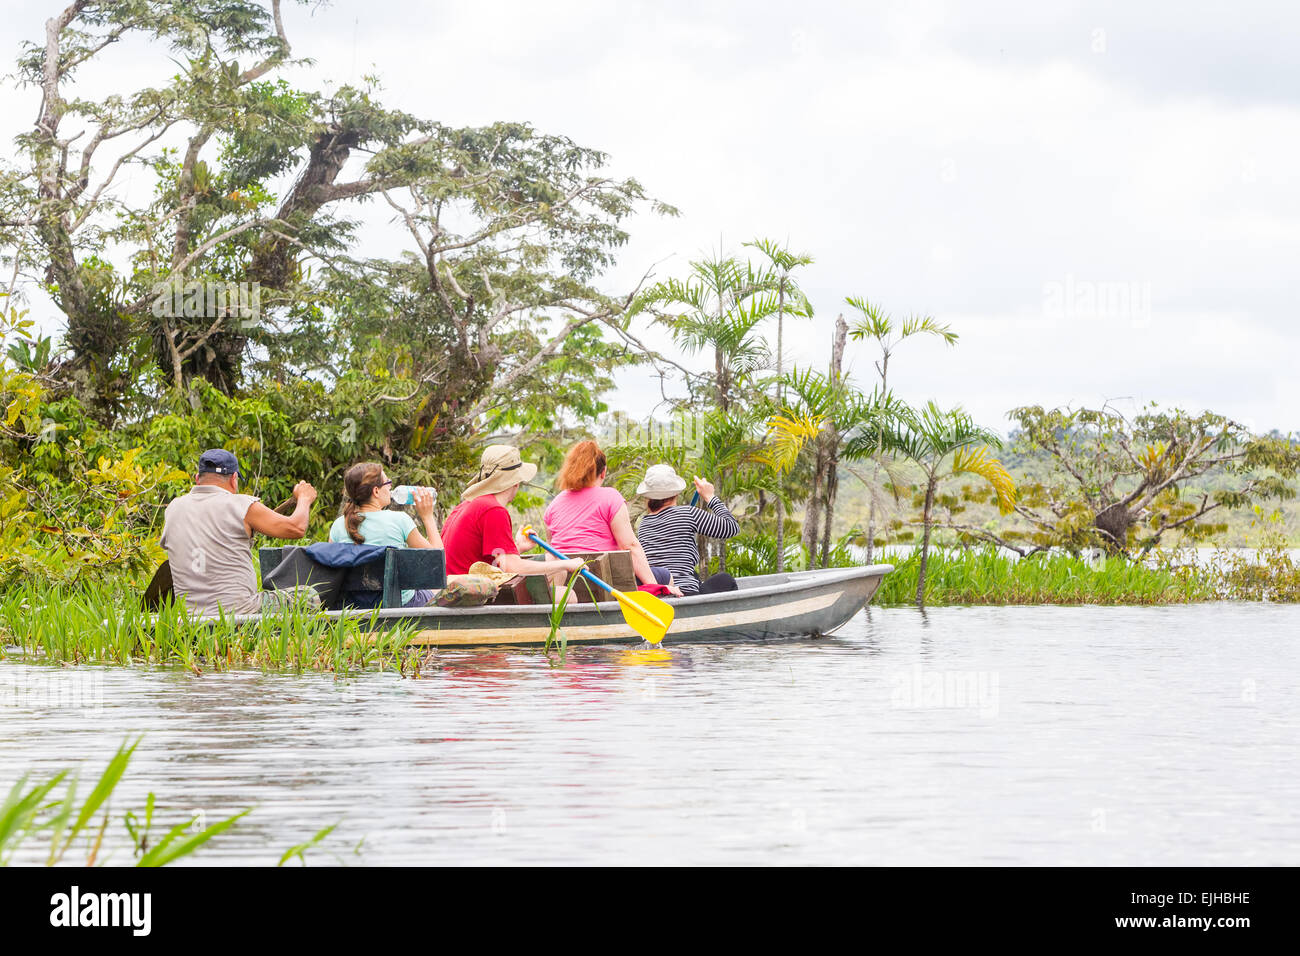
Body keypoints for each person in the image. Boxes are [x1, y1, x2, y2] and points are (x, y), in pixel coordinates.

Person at [160, 448, 320, 615]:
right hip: (239, 613)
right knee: (309, 595)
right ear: (234, 478)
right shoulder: (242, 505)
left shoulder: (173, 508)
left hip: (190, 616)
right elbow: (297, 528)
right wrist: (304, 498)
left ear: (197, 478)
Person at [542, 440, 682, 596]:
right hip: (604, 583)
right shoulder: (610, 497)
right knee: (664, 575)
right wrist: (655, 587)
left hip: (567, 584)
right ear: (603, 472)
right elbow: (629, 546)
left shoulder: (553, 505)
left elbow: (552, 548)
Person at [441, 444, 584, 580]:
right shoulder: (493, 510)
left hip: (455, 590)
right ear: (516, 481)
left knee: (555, 565)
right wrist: (568, 564)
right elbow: (511, 567)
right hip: (469, 596)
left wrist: (518, 547)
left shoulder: (467, 505)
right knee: (565, 588)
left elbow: (490, 564)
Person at [327, 462, 443, 608]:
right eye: (388, 482)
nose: (390, 487)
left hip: (352, 608)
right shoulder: (399, 520)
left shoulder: (338, 525)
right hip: (399, 606)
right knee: (440, 589)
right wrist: (427, 516)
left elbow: (332, 572)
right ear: (376, 491)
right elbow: (437, 562)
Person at [635, 464, 740, 595]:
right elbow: (731, 527)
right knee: (726, 579)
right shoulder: (688, 513)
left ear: (648, 496)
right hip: (685, 592)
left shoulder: (644, 524)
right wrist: (710, 497)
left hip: (660, 593)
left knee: (696, 576)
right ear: (676, 493)